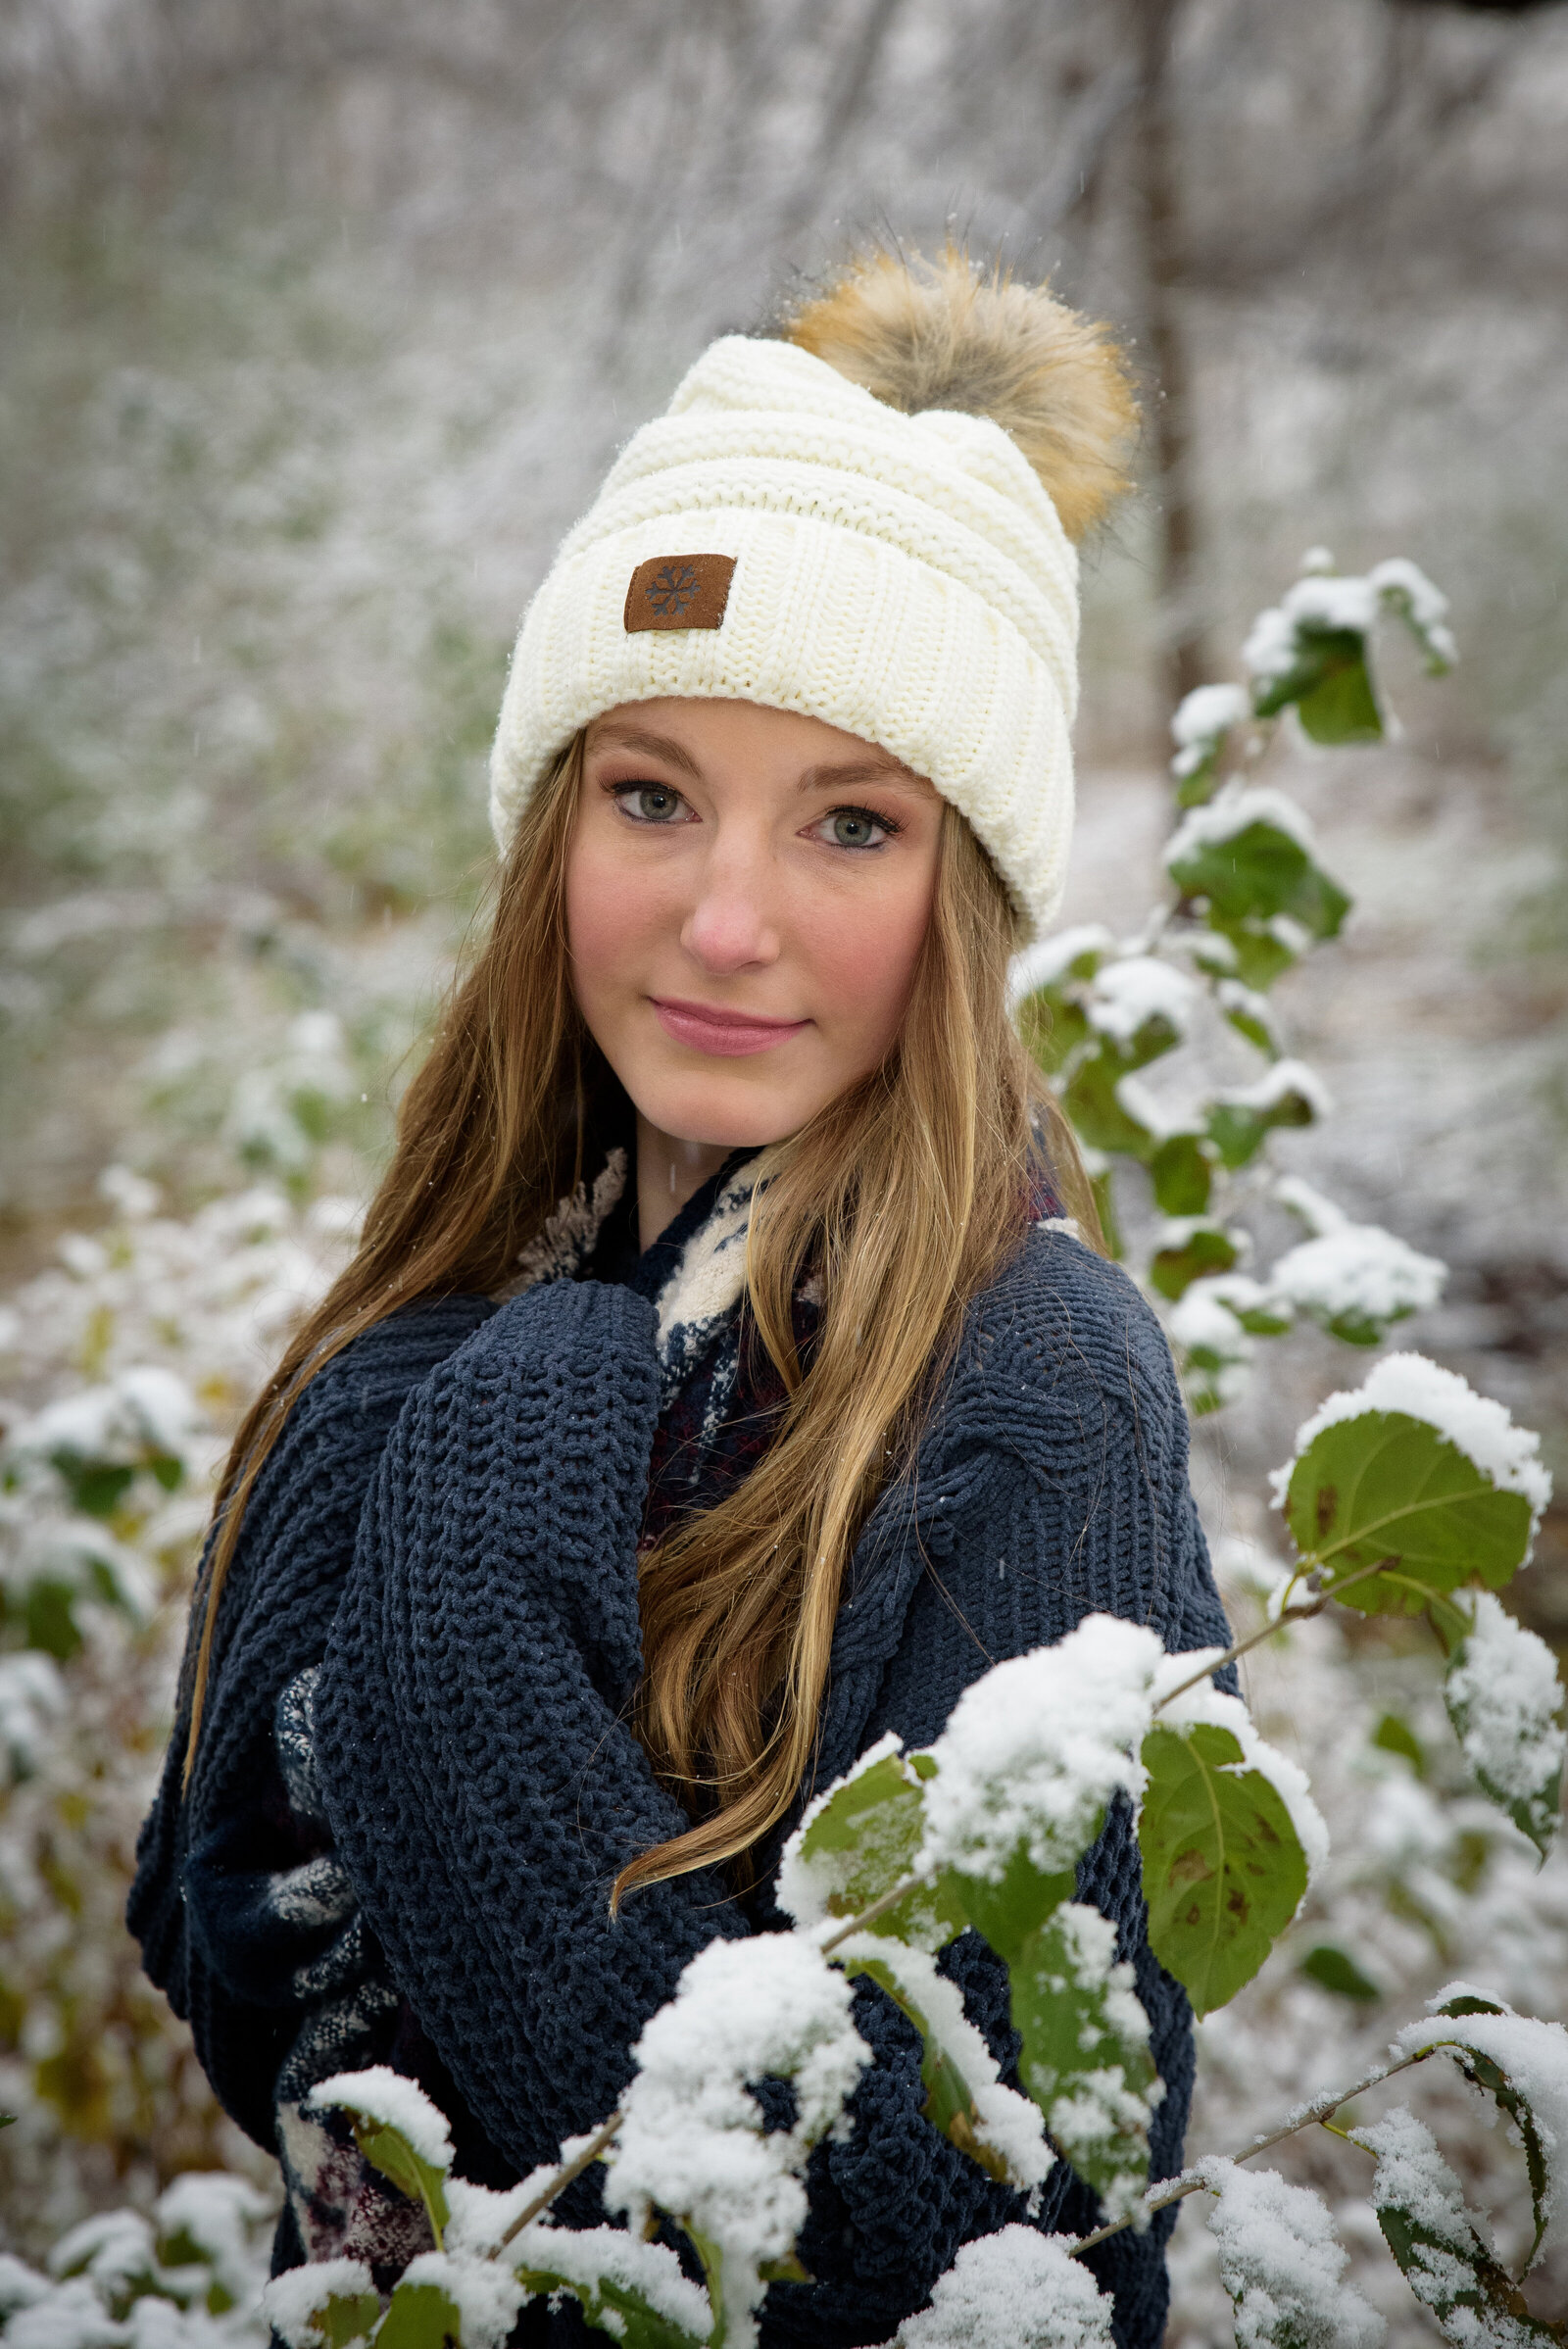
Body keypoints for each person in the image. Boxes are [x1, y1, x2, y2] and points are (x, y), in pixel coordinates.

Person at [129, 246, 1235, 2349]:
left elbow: (994, 2263)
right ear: (553, 825)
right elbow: (222, 1946)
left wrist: (466, 1653)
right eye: (651, 794)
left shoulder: (1034, 1382)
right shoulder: (452, 1325)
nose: (724, 919)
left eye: (847, 821)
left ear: (963, 891)